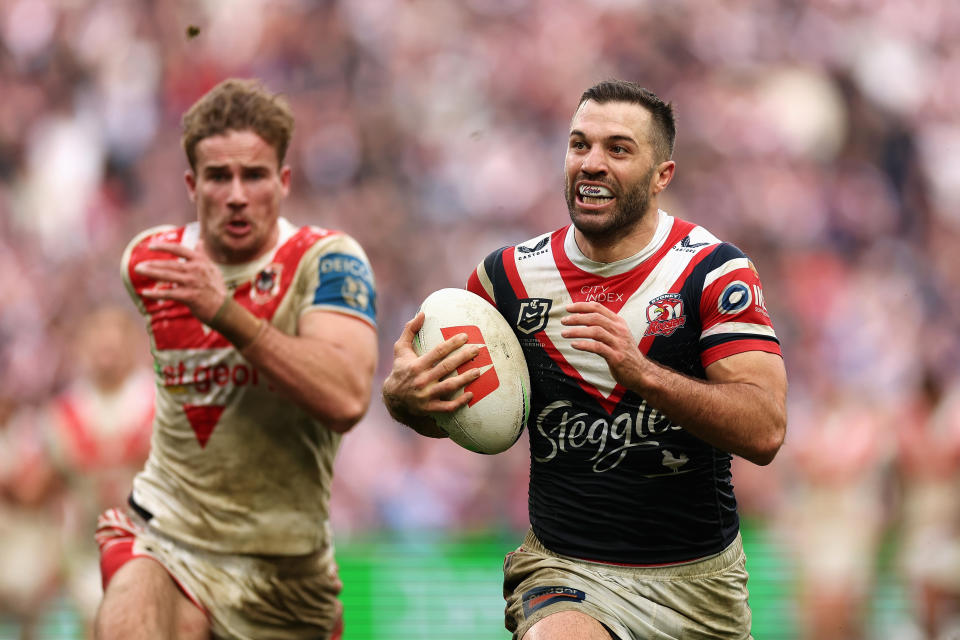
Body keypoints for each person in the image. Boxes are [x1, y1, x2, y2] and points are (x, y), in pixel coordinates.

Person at [382, 79, 787, 640]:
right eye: (579, 145)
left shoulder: (712, 272)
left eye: (618, 149)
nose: (592, 163)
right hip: (563, 569)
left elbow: (765, 430)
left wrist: (641, 373)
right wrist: (405, 402)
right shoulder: (506, 279)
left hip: (698, 585)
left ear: (661, 176)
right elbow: (464, 412)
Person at [93, 78, 378, 640]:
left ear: (284, 181)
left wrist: (222, 310)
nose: (237, 194)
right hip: (169, 535)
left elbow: (345, 398)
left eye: (254, 175)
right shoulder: (151, 262)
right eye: (219, 177)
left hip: (287, 570)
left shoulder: (327, 262)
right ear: (191, 185)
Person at [43, 306, 155, 637]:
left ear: (132, 344)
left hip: (153, 544)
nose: (107, 350)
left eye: (115, 340)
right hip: (86, 549)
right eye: (99, 341)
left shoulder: (159, 404)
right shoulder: (64, 410)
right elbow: (52, 485)